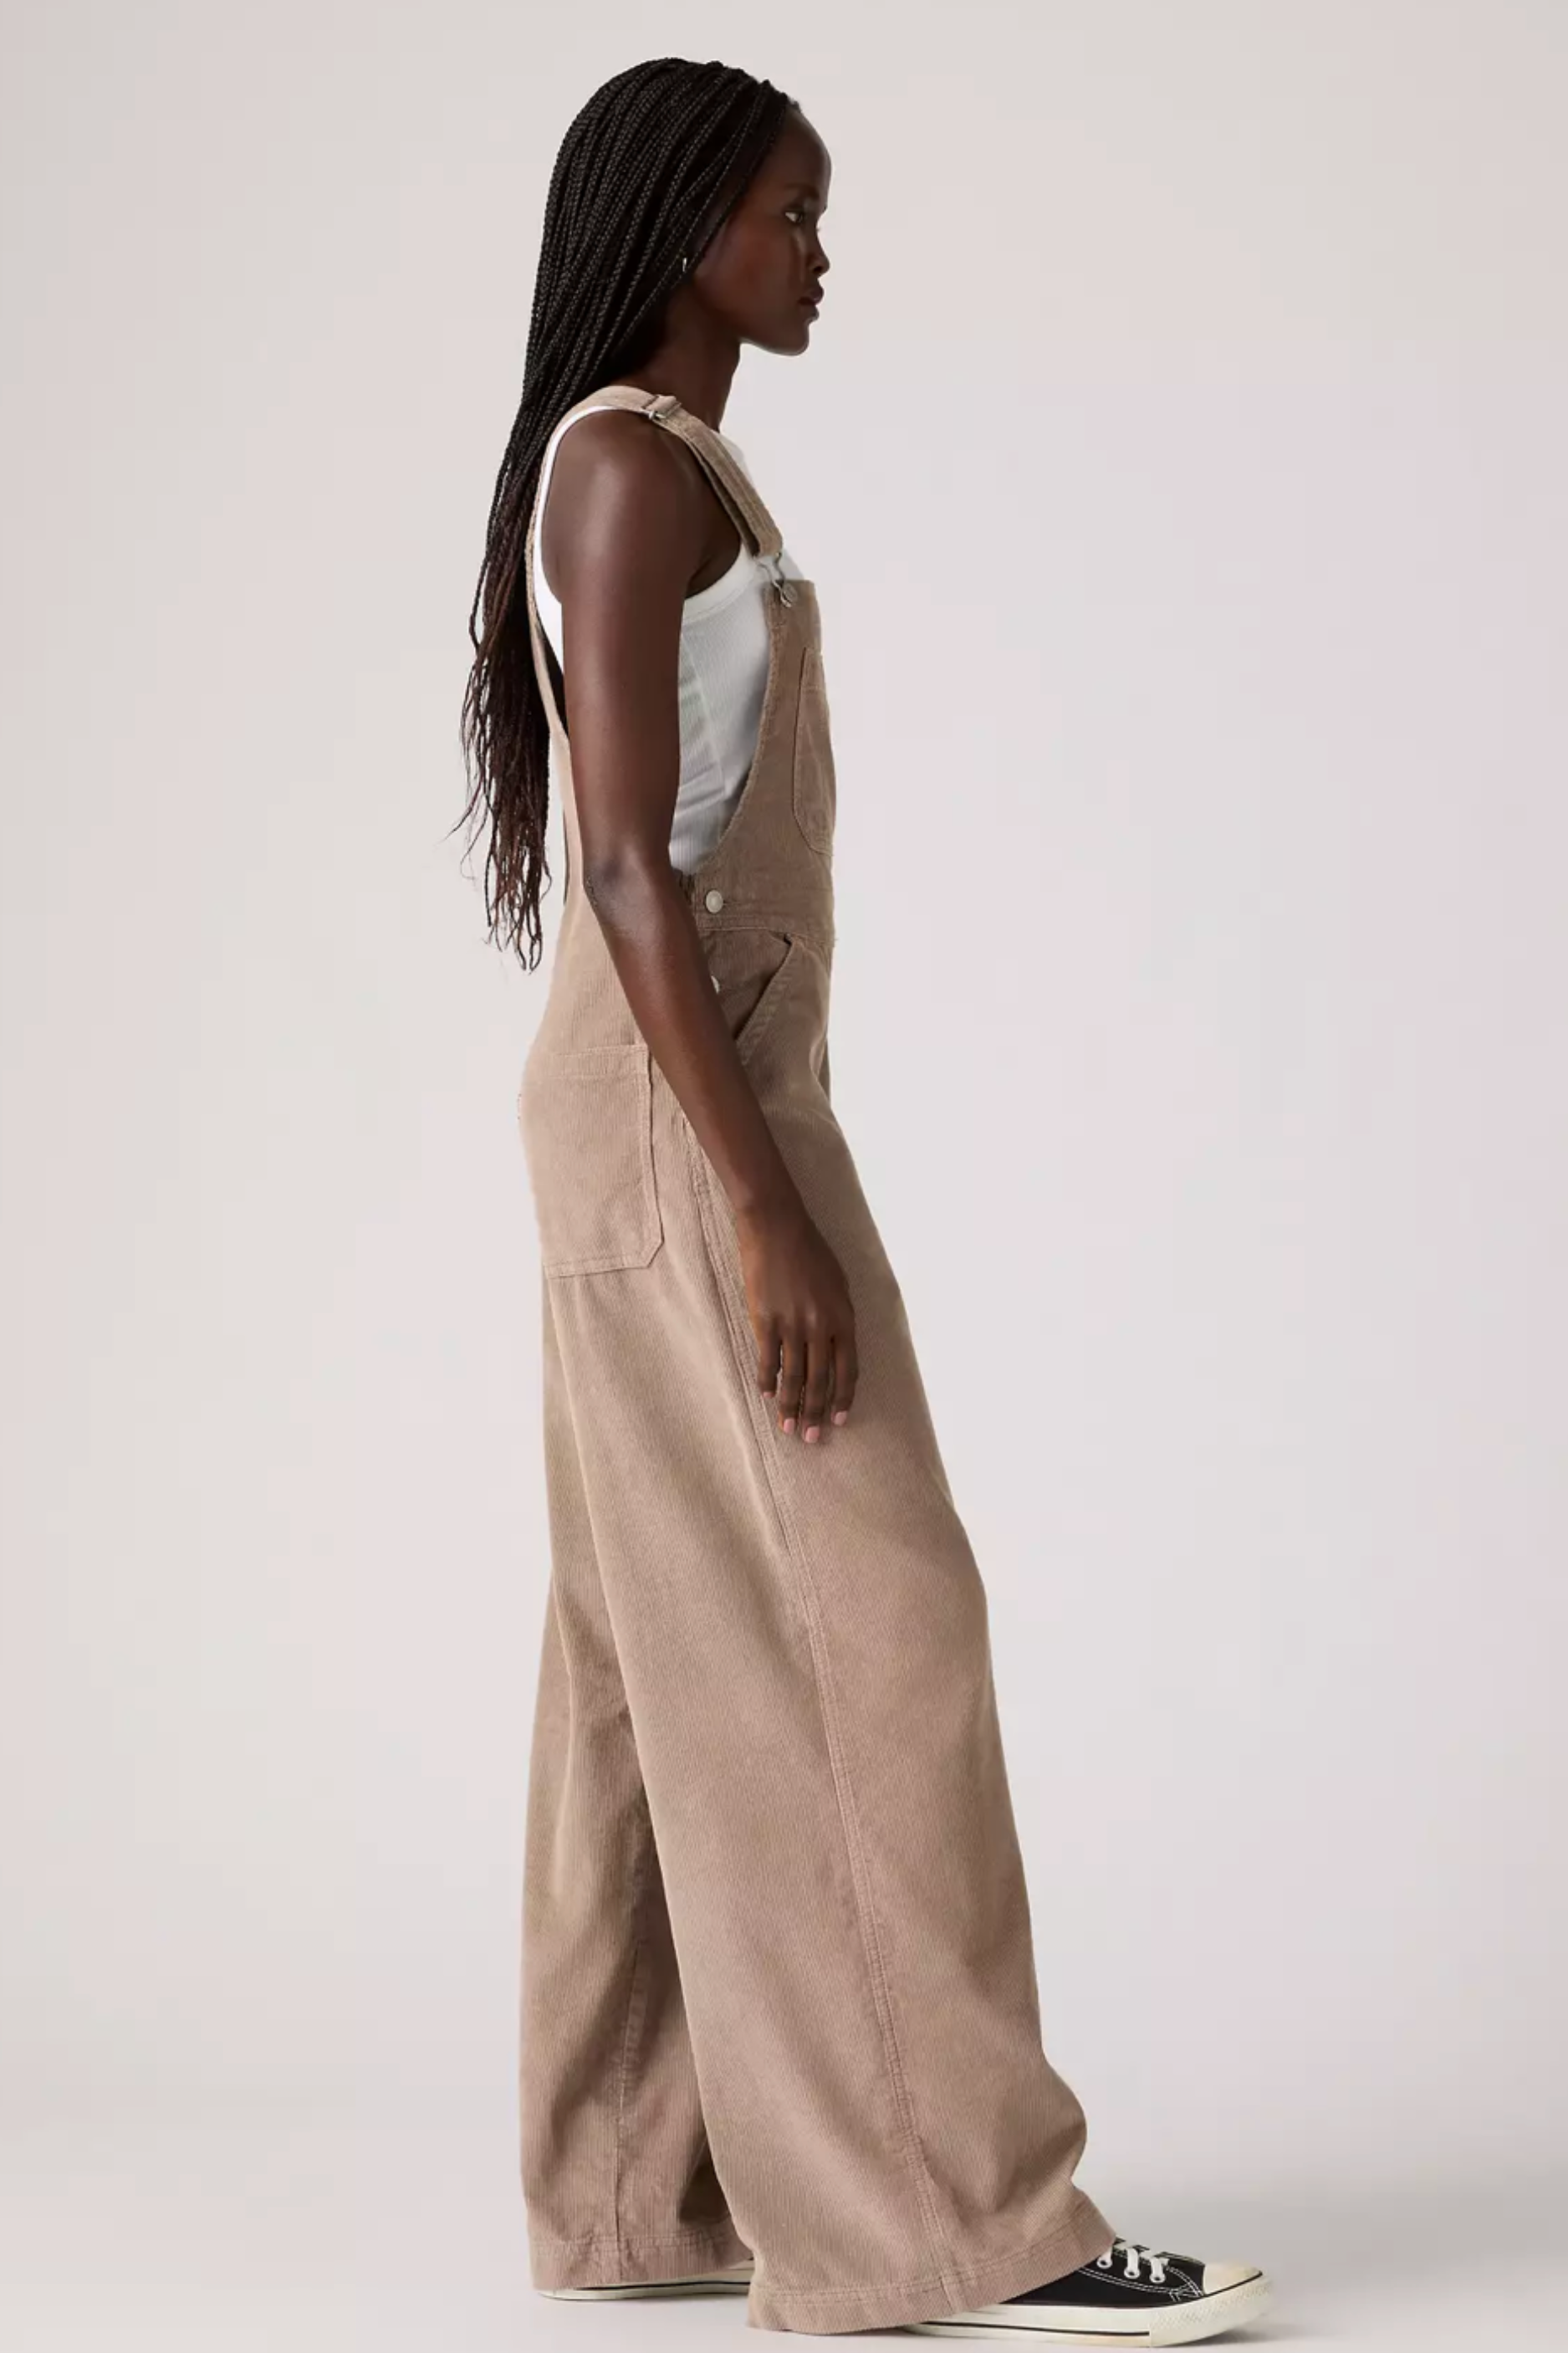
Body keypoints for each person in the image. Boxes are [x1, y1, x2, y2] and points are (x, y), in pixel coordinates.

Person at [457, 55, 1272, 2345]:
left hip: (679, 1098)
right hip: (685, 1115)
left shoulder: (677, 464)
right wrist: (766, 1210)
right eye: (792, 214)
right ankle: (953, 2221)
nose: (821, 253)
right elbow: (631, 868)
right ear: (688, 225)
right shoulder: (629, 467)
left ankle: (636, 2187)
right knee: (874, 1635)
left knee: (645, 1651)